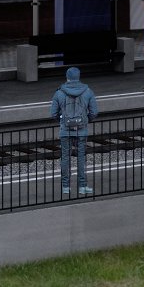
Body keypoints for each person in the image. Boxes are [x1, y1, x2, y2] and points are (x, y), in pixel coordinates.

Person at [52, 67, 97, 196]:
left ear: (67, 77)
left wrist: (62, 121)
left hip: (65, 131)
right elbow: (94, 112)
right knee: (81, 158)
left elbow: (53, 113)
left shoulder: (59, 93)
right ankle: (82, 187)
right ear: (78, 77)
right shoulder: (88, 91)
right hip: (81, 130)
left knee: (65, 158)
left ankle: (65, 187)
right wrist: (85, 120)